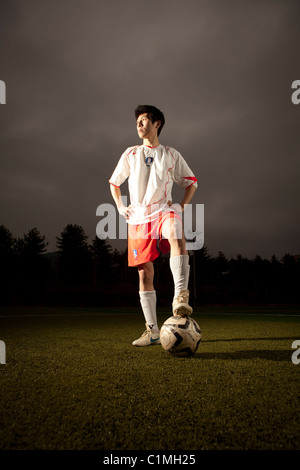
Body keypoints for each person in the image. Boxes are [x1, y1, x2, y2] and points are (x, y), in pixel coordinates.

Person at [109, 105, 197, 347]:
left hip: (163, 210)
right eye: (137, 120)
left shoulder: (171, 154)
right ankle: (152, 331)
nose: (139, 124)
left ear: (157, 123)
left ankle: (180, 297)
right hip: (138, 218)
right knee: (144, 273)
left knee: (176, 232)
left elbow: (191, 183)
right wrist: (119, 206)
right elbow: (114, 183)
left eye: (144, 119)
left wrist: (181, 206)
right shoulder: (130, 154)